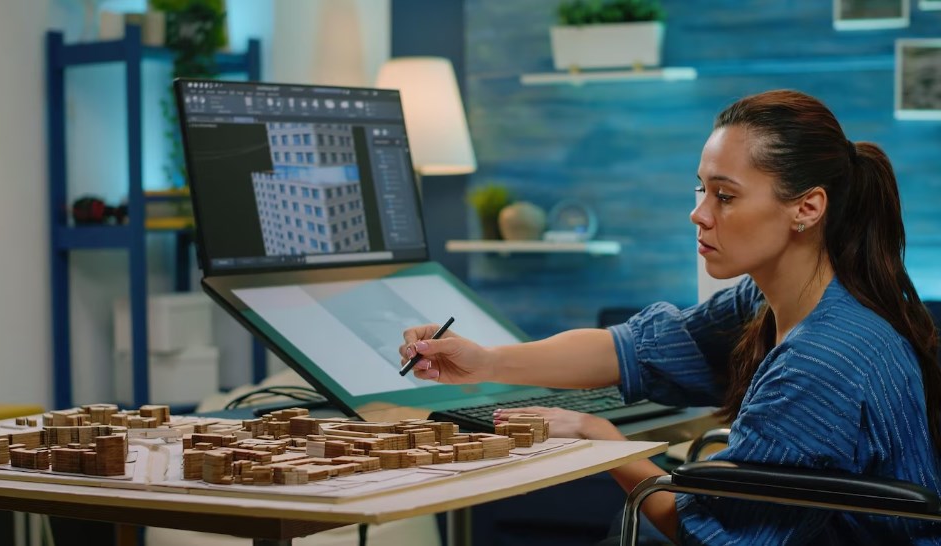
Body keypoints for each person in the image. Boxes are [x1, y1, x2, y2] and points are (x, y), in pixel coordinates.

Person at [398, 89, 941, 545]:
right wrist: (486, 361)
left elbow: (701, 533)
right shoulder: (777, 301)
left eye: (725, 196)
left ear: (807, 207)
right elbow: (632, 349)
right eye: (702, 189)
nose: (699, 213)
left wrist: (597, 438)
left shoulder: (823, 359)